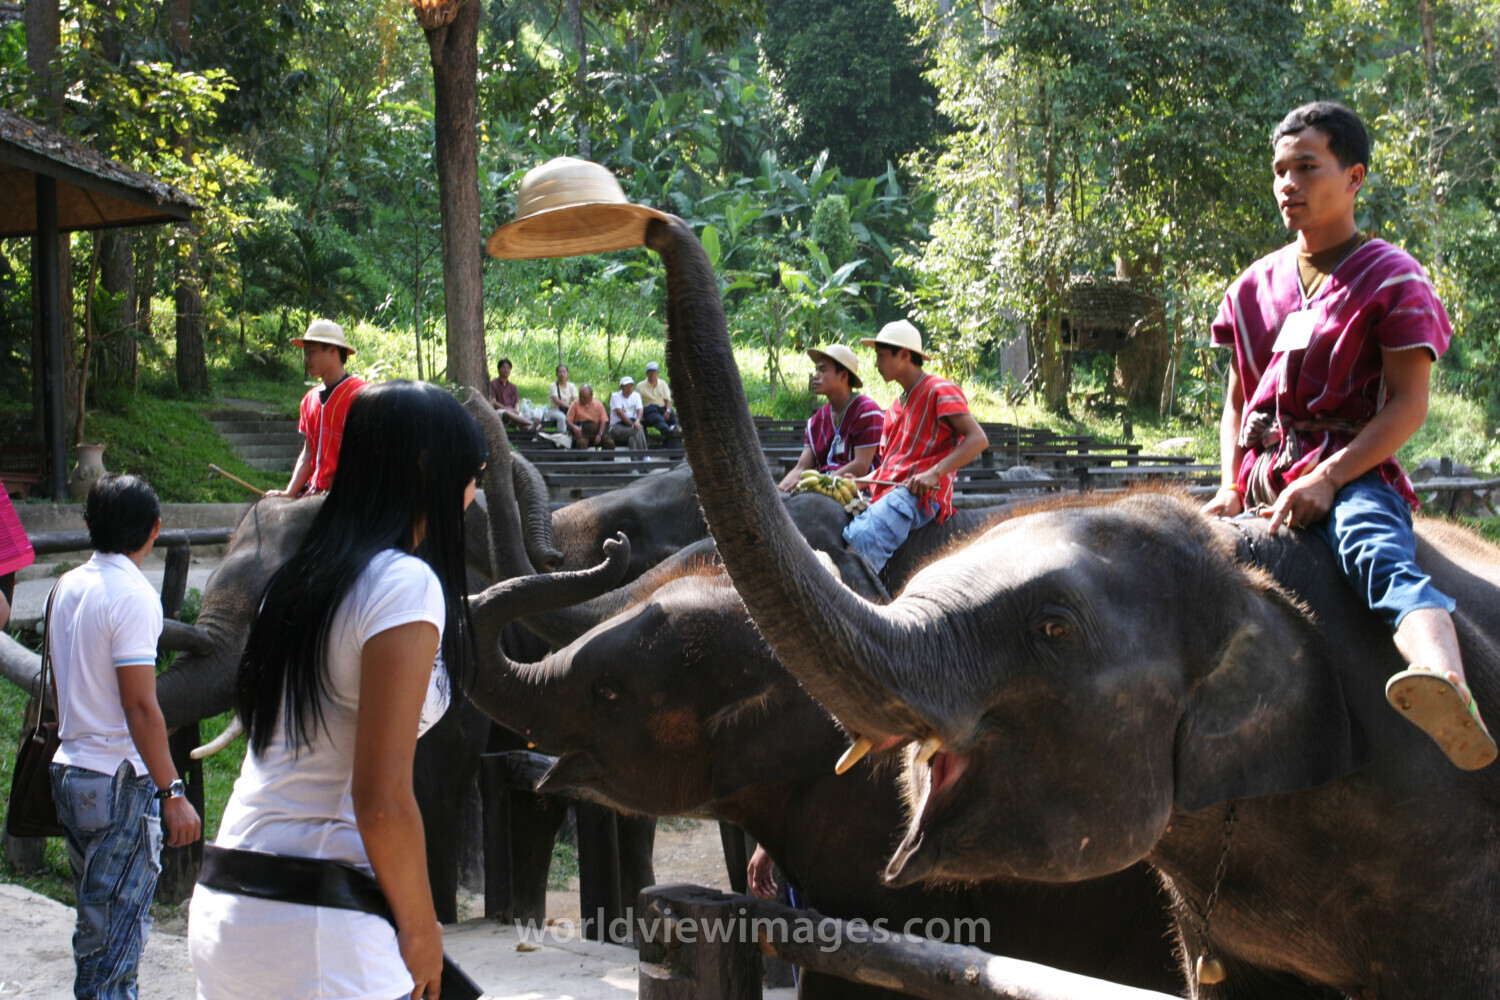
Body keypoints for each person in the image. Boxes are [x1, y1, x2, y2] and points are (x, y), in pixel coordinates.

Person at [1202, 101, 1495, 770]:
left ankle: (1444, 679)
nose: (1288, 183)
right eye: (1279, 170)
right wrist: (1226, 482)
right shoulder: (1253, 286)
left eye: (1307, 166)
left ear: (1354, 176)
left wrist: (1330, 477)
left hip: (1352, 475)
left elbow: (1409, 405)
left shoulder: (1393, 277)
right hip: (1260, 482)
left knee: (1374, 555)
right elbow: (1237, 398)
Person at [188, 381, 488, 1000]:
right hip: (318, 923)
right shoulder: (403, 585)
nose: (473, 492)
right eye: (471, 474)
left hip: (231, 901)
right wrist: (422, 929)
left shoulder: (299, 580)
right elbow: (381, 801)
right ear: (427, 470)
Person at [49, 473, 203, 1000]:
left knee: (97, 924)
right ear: (153, 530)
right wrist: (173, 792)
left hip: (71, 772)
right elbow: (139, 704)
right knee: (115, 943)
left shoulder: (67, 585)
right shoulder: (134, 596)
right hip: (119, 783)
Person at [843, 320, 988, 573]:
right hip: (890, 494)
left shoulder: (938, 389)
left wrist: (934, 473)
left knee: (860, 542)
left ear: (904, 355)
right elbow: (890, 469)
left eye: (881, 356)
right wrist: (859, 482)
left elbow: (978, 439)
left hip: (919, 498)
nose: (877, 364)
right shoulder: (892, 410)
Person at [271, 319, 367, 498]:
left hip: (349, 495)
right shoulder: (309, 400)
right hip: (313, 492)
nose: (306, 359)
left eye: (311, 352)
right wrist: (289, 492)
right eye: (305, 353)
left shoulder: (361, 396)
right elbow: (308, 454)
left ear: (332, 350)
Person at [777, 344, 884, 492]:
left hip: (857, 491)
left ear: (843, 376)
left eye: (822, 370)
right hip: (822, 488)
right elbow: (801, 468)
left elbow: (861, 466)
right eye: (816, 370)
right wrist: (777, 493)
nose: (816, 376)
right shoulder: (816, 421)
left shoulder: (867, 412)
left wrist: (819, 485)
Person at [489, 358, 540, 432]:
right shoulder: (493, 384)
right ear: (499, 369)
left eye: (508, 368)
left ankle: (531, 429)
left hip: (513, 412)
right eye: (503, 367)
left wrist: (516, 410)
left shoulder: (513, 387)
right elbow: (493, 401)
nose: (506, 370)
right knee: (507, 413)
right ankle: (531, 423)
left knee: (518, 421)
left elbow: (516, 402)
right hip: (500, 412)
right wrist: (507, 409)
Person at [638, 361, 678, 440]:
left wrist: (668, 411)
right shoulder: (640, 386)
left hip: (663, 408)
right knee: (657, 419)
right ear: (646, 373)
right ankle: (668, 431)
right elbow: (638, 402)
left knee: (674, 419)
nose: (652, 373)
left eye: (654, 371)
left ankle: (672, 438)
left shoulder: (663, 384)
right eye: (650, 371)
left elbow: (667, 399)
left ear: (657, 373)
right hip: (650, 410)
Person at [609, 375, 649, 451]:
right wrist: (633, 425)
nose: (629, 389)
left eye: (631, 386)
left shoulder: (636, 395)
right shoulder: (615, 396)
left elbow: (640, 410)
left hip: (631, 426)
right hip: (617, 427)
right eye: (626, 386)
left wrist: (637, 422)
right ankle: (645, 455)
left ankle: (635, 461)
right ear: (621, 387)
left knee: (633, 438)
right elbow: (620, 413)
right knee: (638, 430)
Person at [567, 384, 612, 451]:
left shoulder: (598, 405)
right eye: (580, 397)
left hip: (596, 432)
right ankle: (585, 461)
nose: (582, 399)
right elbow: (568, 420)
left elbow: (603, 421)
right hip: (582, 432)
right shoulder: (575, 404)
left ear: (591, 396)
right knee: (581, 444)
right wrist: (574, 427)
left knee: (610, 443)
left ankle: (607, 461)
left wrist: (600, 434)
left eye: (584, 397)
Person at [543, 364, 579, 444]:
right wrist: (570, 407)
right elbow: (557, 401)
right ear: (556, 374)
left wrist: (572, 409)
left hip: (568, 410)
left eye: (564, 372)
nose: (562, 374)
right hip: (554, 411)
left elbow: (575, 400)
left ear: (568, 374)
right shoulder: (553, 386)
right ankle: (560, 440)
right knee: (562, 418)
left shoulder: (571, 386)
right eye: (560, 372)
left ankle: (575, 439)